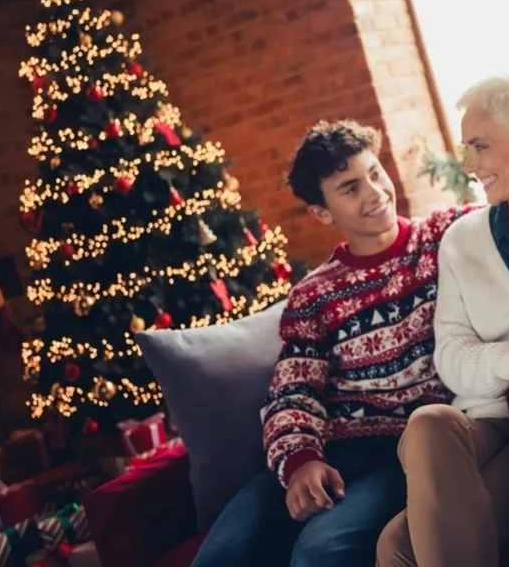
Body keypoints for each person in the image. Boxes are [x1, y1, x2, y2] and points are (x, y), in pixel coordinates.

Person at [192, 121, 469, 567]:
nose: (375, 192)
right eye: (350, 188)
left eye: (376, 173)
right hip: (329, 446)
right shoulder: (313, 294)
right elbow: (292, 390)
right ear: (323, 212)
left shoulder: (441, 238)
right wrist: (301, 459)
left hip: (404, 448)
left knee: (321, 552)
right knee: (221, 557)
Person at [377, 76, 509, 567]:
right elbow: (450, 357)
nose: (469, 165)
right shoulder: (462, 238)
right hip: (483, 424)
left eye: (480, 146)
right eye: (466, 149)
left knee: (397, 547)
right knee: (429, 422)